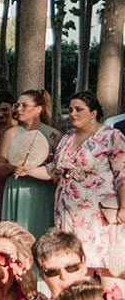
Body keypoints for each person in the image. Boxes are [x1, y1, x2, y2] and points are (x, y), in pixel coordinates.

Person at [53, 91, 125, 268]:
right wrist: (27, 170)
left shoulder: (111, 136)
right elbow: (55, 170)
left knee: (102, 263)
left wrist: (124, 207)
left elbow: (123, 173)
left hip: (97, 212)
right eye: (70, 110)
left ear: (93, 113)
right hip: (67, 210)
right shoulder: (68, 136)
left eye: (79, 109)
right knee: (73, 264)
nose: (72, 114)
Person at [0, 90, 58, 237]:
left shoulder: (53, 135)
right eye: (17, 105)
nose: (19, 109)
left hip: (42, 190)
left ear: (38, 109)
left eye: (24, 105)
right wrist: (12, 167)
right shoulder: (11, 133)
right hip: (17, 188)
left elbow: (59, 167)